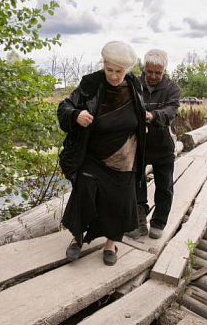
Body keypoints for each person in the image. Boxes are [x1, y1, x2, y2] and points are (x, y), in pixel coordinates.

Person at [57, 41, 146, 266]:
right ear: (103, 65)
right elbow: (64, 107)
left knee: (118, 201)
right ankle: (76, 239)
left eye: (119, 71)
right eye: (109, 70)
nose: (114, 76)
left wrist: (142, 124)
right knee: (84, 193)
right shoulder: (91, 83)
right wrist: (76, 115)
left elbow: (140, 110)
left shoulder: (134, 84)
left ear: (127, 70)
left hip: (124, 156)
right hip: (93, 154)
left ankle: (110, 243)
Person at [126, 49, 181, 239]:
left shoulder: (172, 89)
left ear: (164, 70)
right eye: (150, 72)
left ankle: (158, 222)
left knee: (164, 187)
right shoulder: (133, 85)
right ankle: (138, 222)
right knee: (136, 184)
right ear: (144, 68)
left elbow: (171, 111)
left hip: (163, 146)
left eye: (158, 72)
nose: (153, 76)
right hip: (138, 146)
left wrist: (151, 116)